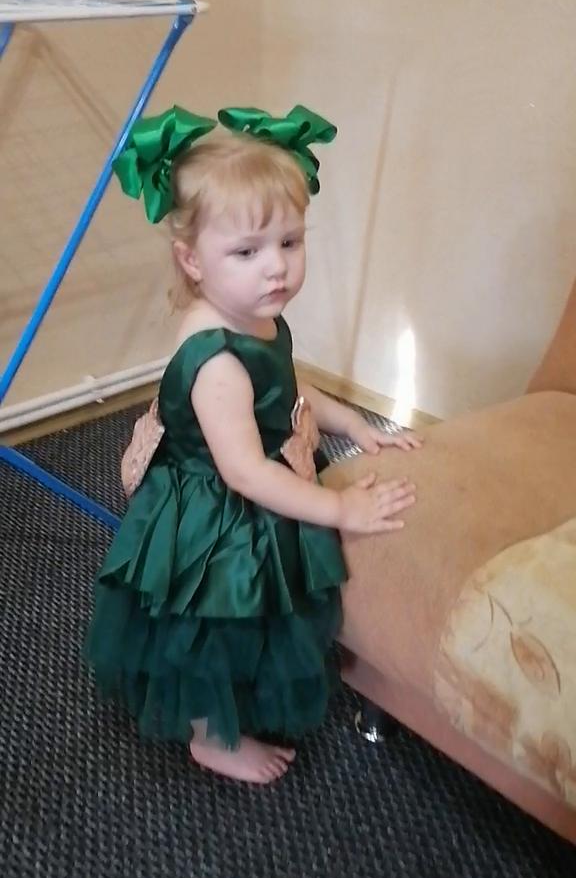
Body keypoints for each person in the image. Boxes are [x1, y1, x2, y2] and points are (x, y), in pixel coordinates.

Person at [84, 104, 421, 783]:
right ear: (192, 260)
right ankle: (211, 735)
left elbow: (286, 385)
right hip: (217, 506)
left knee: (263, 606)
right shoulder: (216, 361)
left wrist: (351, 423)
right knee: (221, 617)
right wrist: (340, 509)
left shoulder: (255, 317)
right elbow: (244, 471)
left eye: (290, 242)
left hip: (249, 470)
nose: (277, 269)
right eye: (247, 252)